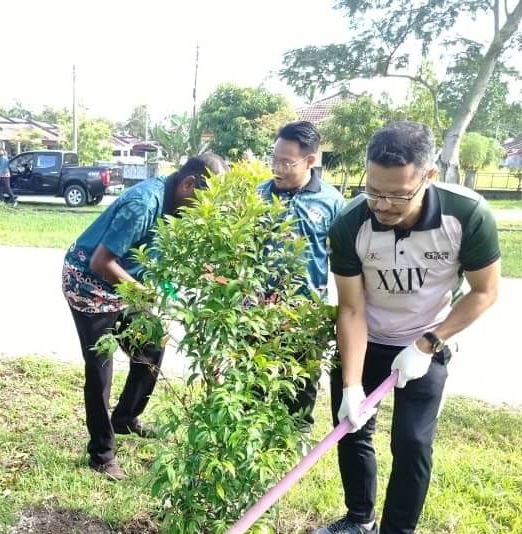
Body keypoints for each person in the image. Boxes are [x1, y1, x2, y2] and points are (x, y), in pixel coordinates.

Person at [313, 121, 501, 534]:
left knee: (413, 443)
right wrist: (352, 384)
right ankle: (358, 518)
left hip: (427, 344)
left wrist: (428, 342)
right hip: (367, 339)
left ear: (429, 176)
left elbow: (484, 292)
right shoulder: (350, 222)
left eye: (397, 195)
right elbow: (350, 308)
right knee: (352, 428)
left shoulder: (467, 214)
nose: (383, 205)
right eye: (373, 191)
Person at [62, 153, 228, 480]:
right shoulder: (144, 204)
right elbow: (101, 262)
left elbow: (156, 256)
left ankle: (125, 418)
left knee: (152, 345)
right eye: (204, 200)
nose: (203, 209)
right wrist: (145, 294)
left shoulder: (176, 204)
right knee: (100, 367)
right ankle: (101, 454)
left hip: (125, 285)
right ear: (189, 184)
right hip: (88, 284)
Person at [256, 120, 345, 427]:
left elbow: (346, 261)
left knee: (299, 389)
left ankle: (292, 450)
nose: (277, 169)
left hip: (305, 316)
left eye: (286, 162)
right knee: (252, 387)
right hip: (255, 313)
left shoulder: (332, 203)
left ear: (310, 160)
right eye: (274, 160)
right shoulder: (257, 197)